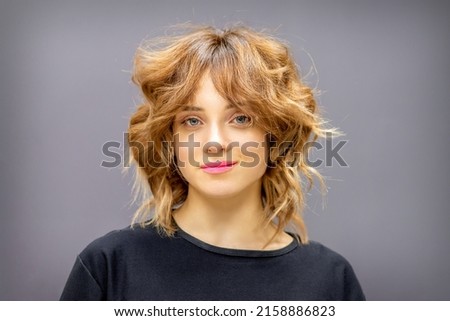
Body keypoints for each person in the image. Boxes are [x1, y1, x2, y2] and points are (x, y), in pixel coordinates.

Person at [60, 24, 365, 300]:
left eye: (241, 118)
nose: (215, 142)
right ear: (170, 141)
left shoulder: (330, 280)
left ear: (275, 135)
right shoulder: (109, 267)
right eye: (192, 121)